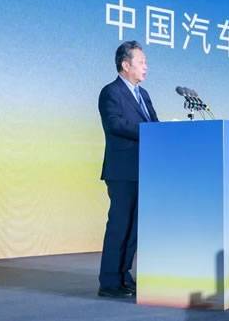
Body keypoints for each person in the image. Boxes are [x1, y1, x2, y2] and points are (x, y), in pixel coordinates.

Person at [97, 40, 158, 298]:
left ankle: (124, 276)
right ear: (125, 64)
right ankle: (110, 282)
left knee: (134, 229)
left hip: (145, 170)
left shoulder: (144, 95)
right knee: (119, 226)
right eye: (141, 62)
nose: (146, 66)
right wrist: (151, 132)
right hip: (122, 170)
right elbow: (115, 124)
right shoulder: (111, 92)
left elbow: (155, 124)